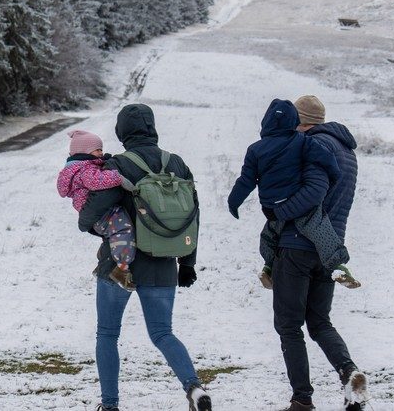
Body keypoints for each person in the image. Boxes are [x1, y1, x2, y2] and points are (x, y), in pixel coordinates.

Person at [78, 104, 212, 411]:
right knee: (163, 333)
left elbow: (97, 207)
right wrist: (187, 264)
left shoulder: (117, 166)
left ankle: (110, 405)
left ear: (121, 132)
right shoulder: (177, 164)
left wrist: (85, 223)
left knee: (108, 334)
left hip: (119, 265)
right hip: (163, 261)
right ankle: (193, 388)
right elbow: (192, 215)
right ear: (152, 128)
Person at [268, 95, 369, 411]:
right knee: (320, 321)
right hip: (329, 250)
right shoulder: (347, 152)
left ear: (301, 120)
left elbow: (300, 197)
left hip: (297, 246)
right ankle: (349, 372)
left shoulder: (309, 148)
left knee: (289, 325)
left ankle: (302, 399)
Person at [226, 99, 360, 291]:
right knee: (318, 229)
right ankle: (337, 266)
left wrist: (234, 202)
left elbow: (245, 181)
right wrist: (334, 171)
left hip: (278, 211)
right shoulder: (313, 144)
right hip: (312, 223)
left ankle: (269, 266)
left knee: (268, 235)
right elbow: (326, 161)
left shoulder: (258, 148)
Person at [57, 129, 136, 290]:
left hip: (94, 211)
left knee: (112, 232)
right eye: (97, 150)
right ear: (85, 152)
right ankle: (121, 269)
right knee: (123, 228)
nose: (101, 153)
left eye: (101, 149)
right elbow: (96, 181)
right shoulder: (84, 170)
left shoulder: (76, 167)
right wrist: (118, 177)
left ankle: (104, 261)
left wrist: (102, 161)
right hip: (100, 212)